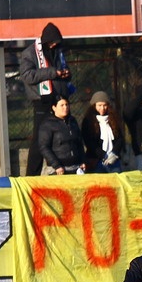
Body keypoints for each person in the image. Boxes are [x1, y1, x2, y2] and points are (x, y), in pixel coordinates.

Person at [19, 22, 73, 176]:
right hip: (42, 101)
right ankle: (31, 177)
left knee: (64, 136)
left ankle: (63, 170)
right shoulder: (30, 53)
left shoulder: (59, 51)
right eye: (53, 42)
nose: (55, 44)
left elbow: (64, 70)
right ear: (46, 41)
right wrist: (53, 73)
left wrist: (66, 74)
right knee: (39, 140)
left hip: (60, 100)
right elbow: (27, 76)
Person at [80, 91, 131, 173]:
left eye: (105, 105)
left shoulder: (114, 118)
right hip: (96, 161)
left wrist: (114, 153)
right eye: (99, 105)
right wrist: (103, 155)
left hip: (114, 160)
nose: (102, 108)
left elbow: (119, 138)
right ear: (94, 106)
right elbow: (89, 141)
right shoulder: (88, 121)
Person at [38, 95, 86, 175]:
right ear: (54, 108)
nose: (65, 107)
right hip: (58, 169)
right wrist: (56, 165)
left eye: (67, 104)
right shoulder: (48, 124)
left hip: (75, 167)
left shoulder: (72, 121)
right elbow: (44, 147)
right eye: (62, 105)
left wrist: (82, 161)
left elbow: (79, 143)